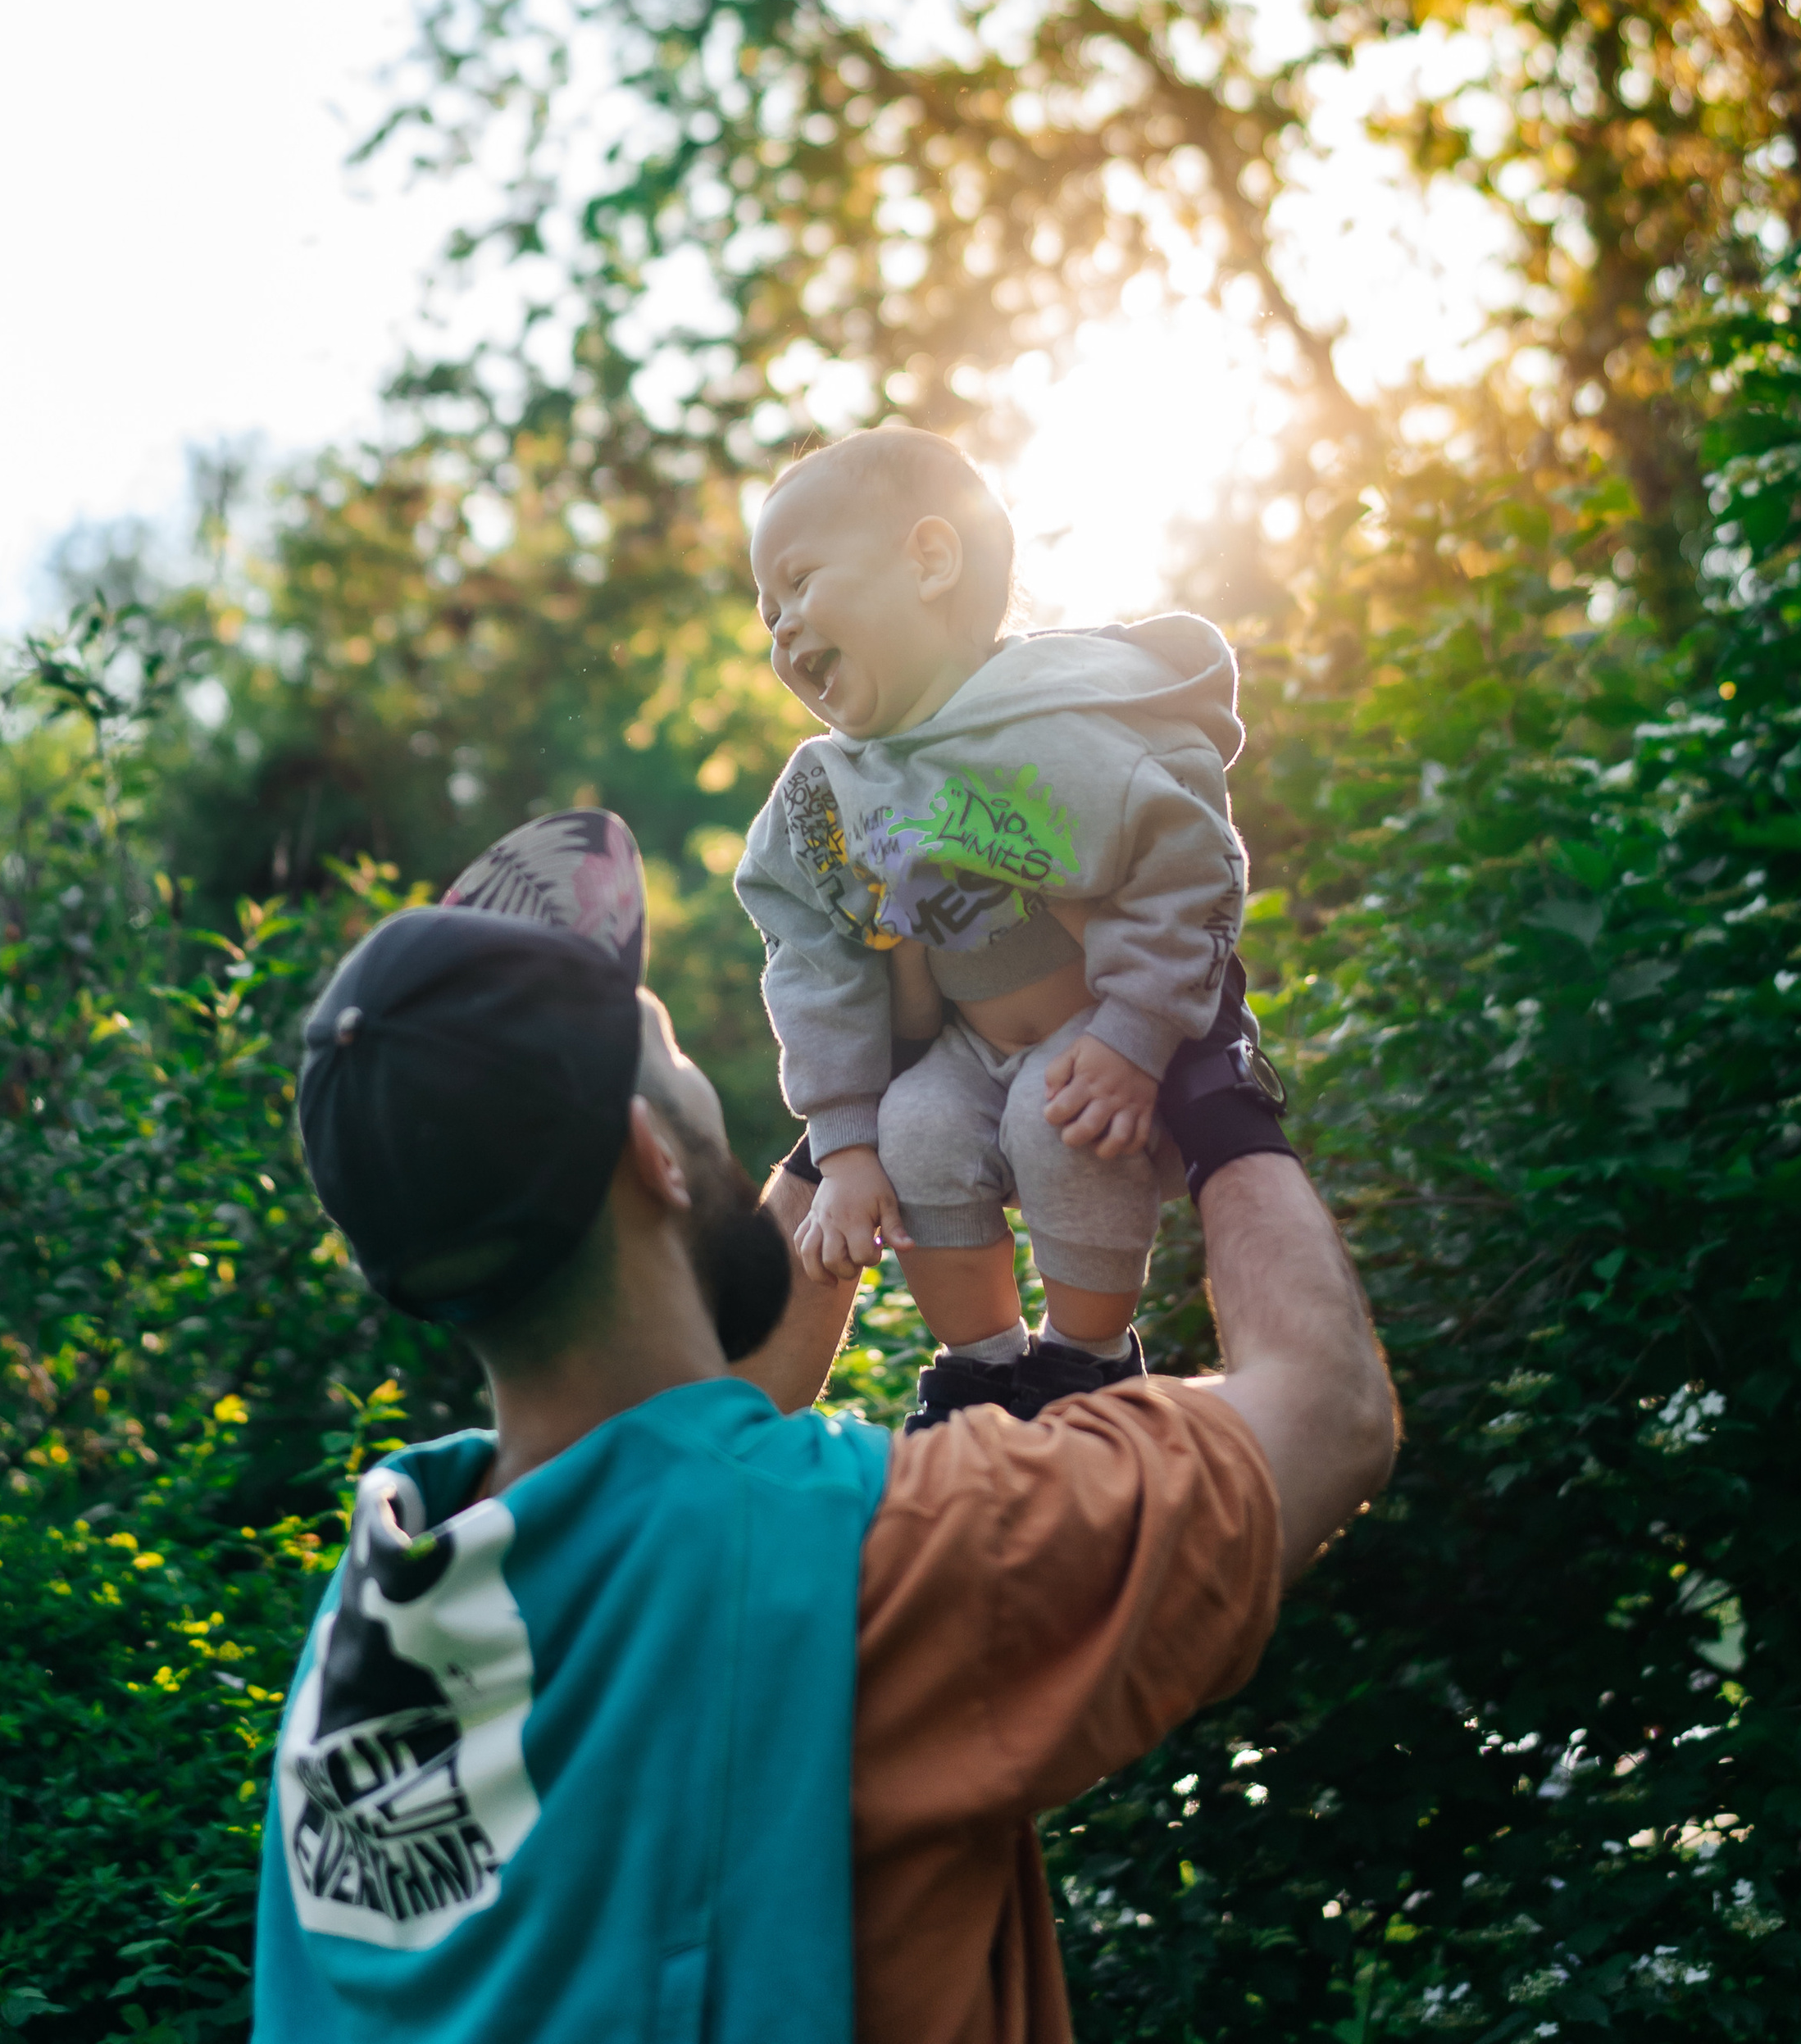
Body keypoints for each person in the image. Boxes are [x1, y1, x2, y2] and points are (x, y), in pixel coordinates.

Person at [253, 806, 1398, 2044]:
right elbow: (1324, 1410)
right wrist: (1210, 1066)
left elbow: (688, 1433)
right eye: (670, 1049)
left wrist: (863, 1104)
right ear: (652, 1151)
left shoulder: (377, 1618)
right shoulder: (871, 1564)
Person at [737, 428, 1253, 1421]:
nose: (783, 626)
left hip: (1093, 1029)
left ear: (930, 560)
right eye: (768, 612)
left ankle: (1088, 1357)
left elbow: (1188, 859)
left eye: (799, 583)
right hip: (962, 1045)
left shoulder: (1062, 723)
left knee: (1057, 1124)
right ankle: (980, 1366)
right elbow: (810, 959)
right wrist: (843, 1145)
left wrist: (1135, 1033)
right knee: (916, 1129)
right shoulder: (828, 792)